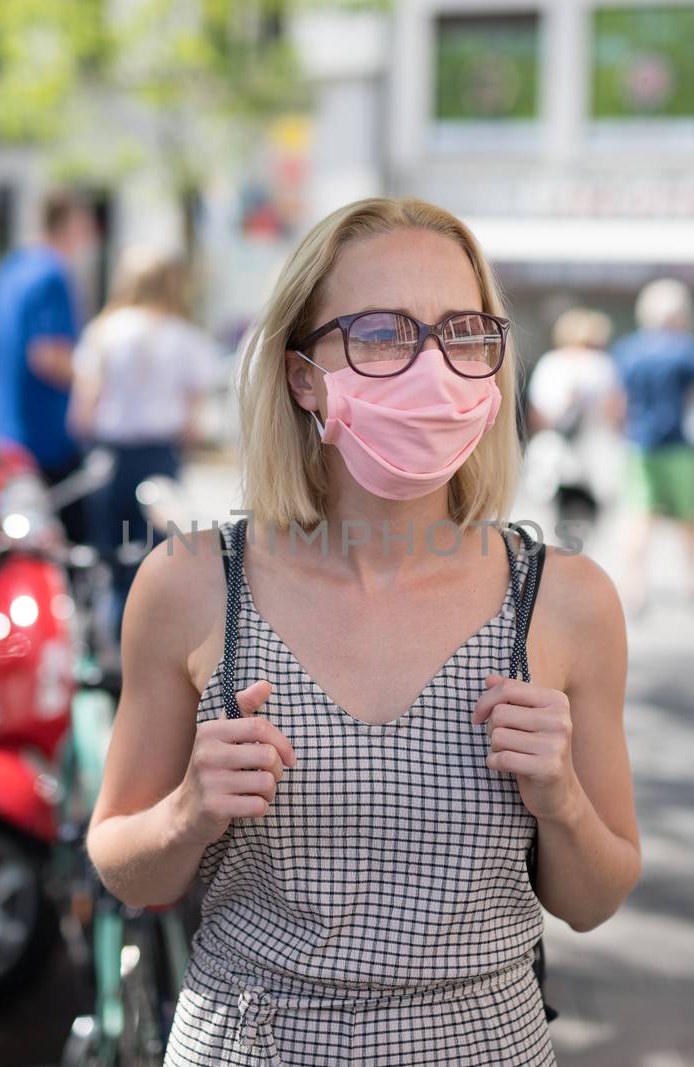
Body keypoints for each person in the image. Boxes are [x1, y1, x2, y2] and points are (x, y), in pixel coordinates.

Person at [85, 198, 640, 1065]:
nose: (432, 367)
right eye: (382, 333)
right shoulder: (191, 585)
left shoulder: (567, 601)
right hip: (249, 1043)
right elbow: (124, 866)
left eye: (462, 331)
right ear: (303, 374)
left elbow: (595, 898)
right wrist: (190, 810)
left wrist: (561, 796)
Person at [69, 251, 221, 636]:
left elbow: (83, 412)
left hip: (112, 457)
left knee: (112, 555)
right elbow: (192, 421)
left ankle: (112, 639)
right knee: (160, 555)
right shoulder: (184, 336)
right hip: (160, 456)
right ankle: (153, 638)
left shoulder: (103, 332)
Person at [610, 278, 694, 613]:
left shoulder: (629, 350)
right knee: (689, 517)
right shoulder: (687, 350)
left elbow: (616, 402)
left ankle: (634, 585)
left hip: (640, 445)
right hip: (679, 446)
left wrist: (621, 433)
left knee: (638, 515)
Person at [0, 188, 94, 542]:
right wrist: (96, 382)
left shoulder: (7, 270)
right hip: (44, 437)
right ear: (71, 224)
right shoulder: (51, 273)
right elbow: (48, 355)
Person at [526, 308, 622, 524]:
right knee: (592, 519)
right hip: (594, 451)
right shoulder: (603, 364)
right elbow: (614, 411)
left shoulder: (550, 362)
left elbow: (537, 413)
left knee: (551, 517)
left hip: (556, 448)